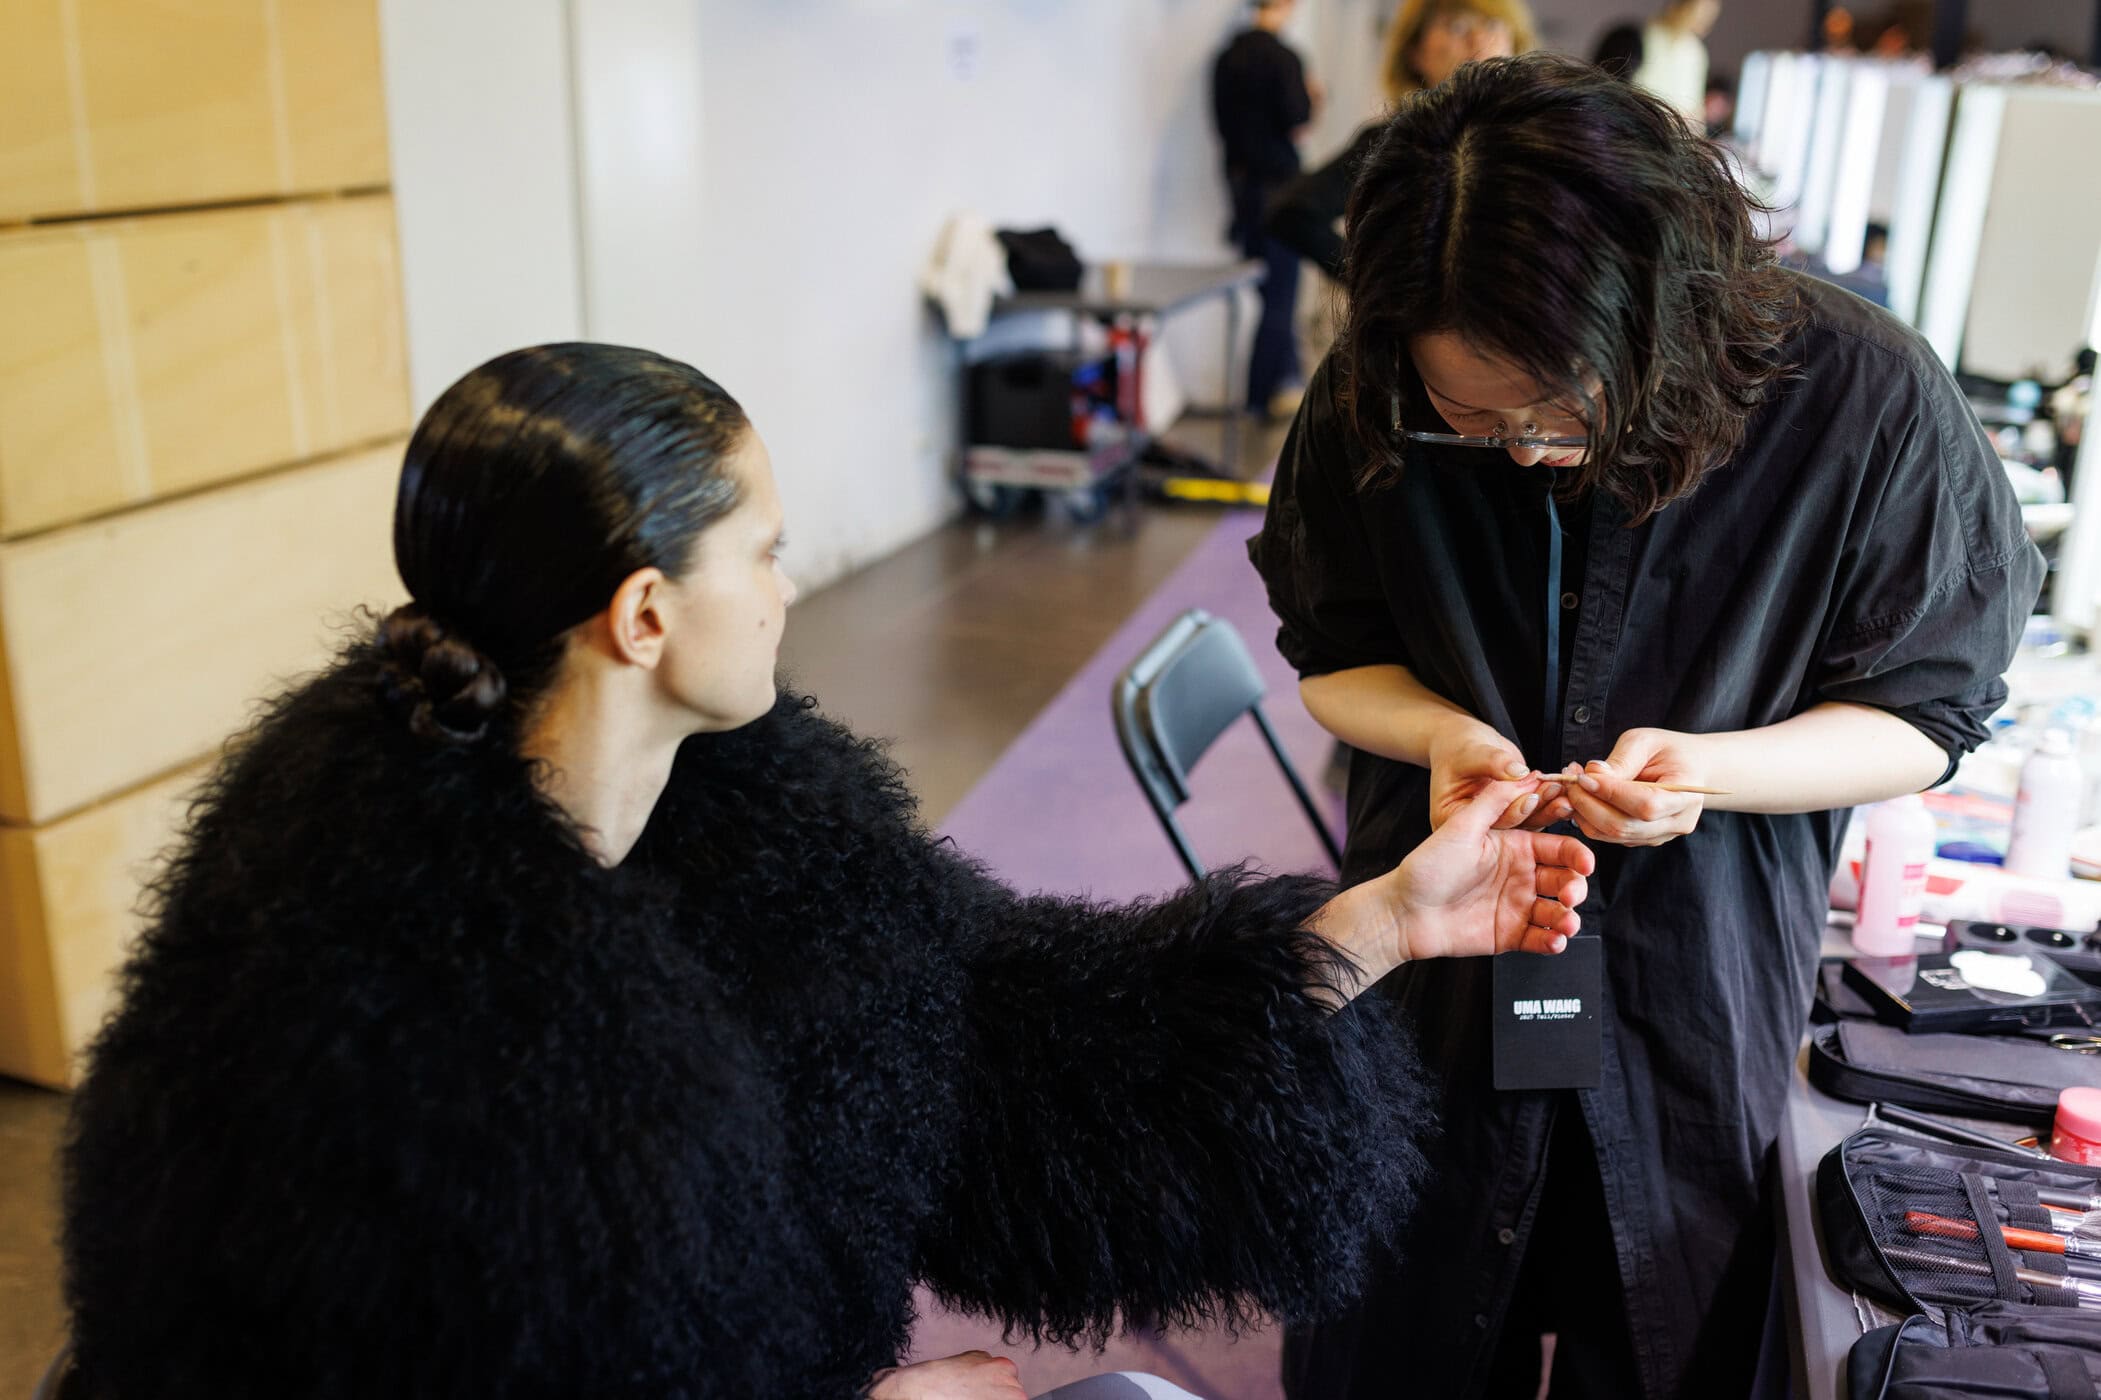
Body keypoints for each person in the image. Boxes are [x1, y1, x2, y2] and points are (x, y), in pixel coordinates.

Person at [58, 343, 1594, 1400]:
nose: (794, 588)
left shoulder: (752, 816)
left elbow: (1003, 1037)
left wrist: (1373, 928)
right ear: (646, 615)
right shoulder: (362, 995)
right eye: (768, 551)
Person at [1250, 55, 2042, 1399]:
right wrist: (1442, 732)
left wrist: (1712, 776)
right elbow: (1335, 654)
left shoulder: (1864, 402)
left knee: (1672, 1336)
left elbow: (1926, 714)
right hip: (1438, 969)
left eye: (1556, 412)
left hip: (1699, 987)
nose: (1520, 454)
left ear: (1660, 318)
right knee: (1407, 1329)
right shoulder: (1371, 388)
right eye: (1473, 421)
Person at [1265, 0, 1536, 281]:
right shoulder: (1400, 141)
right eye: (1456, 26)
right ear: (1415, 52)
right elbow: (1293, 212)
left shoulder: (1538, 137)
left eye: (1491, 25)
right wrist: (1380, 286)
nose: (1478, 39)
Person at [1212, 0, 1317, 418]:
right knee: (1280, 299)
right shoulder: (1285, 58)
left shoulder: (1226, 59)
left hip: (1241, 191)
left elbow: (1222, 128)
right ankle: (1257, 401)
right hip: (1279, 189)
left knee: (1268, 295)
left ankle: (1284, 381)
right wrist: (1312, 97)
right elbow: (1299, 118)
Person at [1631, 0, 1721, 123]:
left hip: (1676, 129)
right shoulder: (1646, 36)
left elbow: (1694, 106)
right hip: (1646, 123)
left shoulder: (1696, 51)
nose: (1704, 20)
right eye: (1701, 11)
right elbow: (1636, 91)